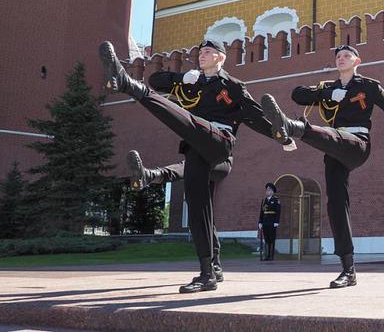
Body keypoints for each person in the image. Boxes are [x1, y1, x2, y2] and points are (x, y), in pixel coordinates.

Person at [98, 39, 294, 293]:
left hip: (219, 142)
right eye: (200, 52)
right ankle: (207, 273)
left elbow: (256, 117)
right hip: (195, 149)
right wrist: (181, 78)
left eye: (208, 52)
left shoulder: (232, 86)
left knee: (188, 120)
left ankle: (127, 84)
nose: (202, 55)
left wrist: (281, 137)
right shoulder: (193, 82)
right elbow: (157, 80)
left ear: (221, 58)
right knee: (198, 211)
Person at [260, 44, 384, 288]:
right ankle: (348, 269)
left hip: (357, 144)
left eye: (347, 56)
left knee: (333, 137)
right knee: (336, 204)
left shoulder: (369, 86)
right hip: (333, 148)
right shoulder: (329, 87)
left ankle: (293, 127)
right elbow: (297, 94)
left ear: (357, 61)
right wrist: (327, 94)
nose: (341, 59)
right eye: (338, 56)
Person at [126, 151, 232, 282]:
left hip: (221, 162)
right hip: (202, 162)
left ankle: (152, 175)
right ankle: (215, 266)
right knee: (204, 215)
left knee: (190, 165)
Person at [257, 182, 281, 261]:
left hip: (272, 222)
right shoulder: (264, 200)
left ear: (272, 191)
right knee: (266, 238)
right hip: (265, 222)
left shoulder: (276, 200)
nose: (267, 191)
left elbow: (278, 212)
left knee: (271, 238)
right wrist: (260, 222)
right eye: (266, 190)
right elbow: (261, 212)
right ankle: (266, 255)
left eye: (269, 190)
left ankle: (271, 256)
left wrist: (276, 221)